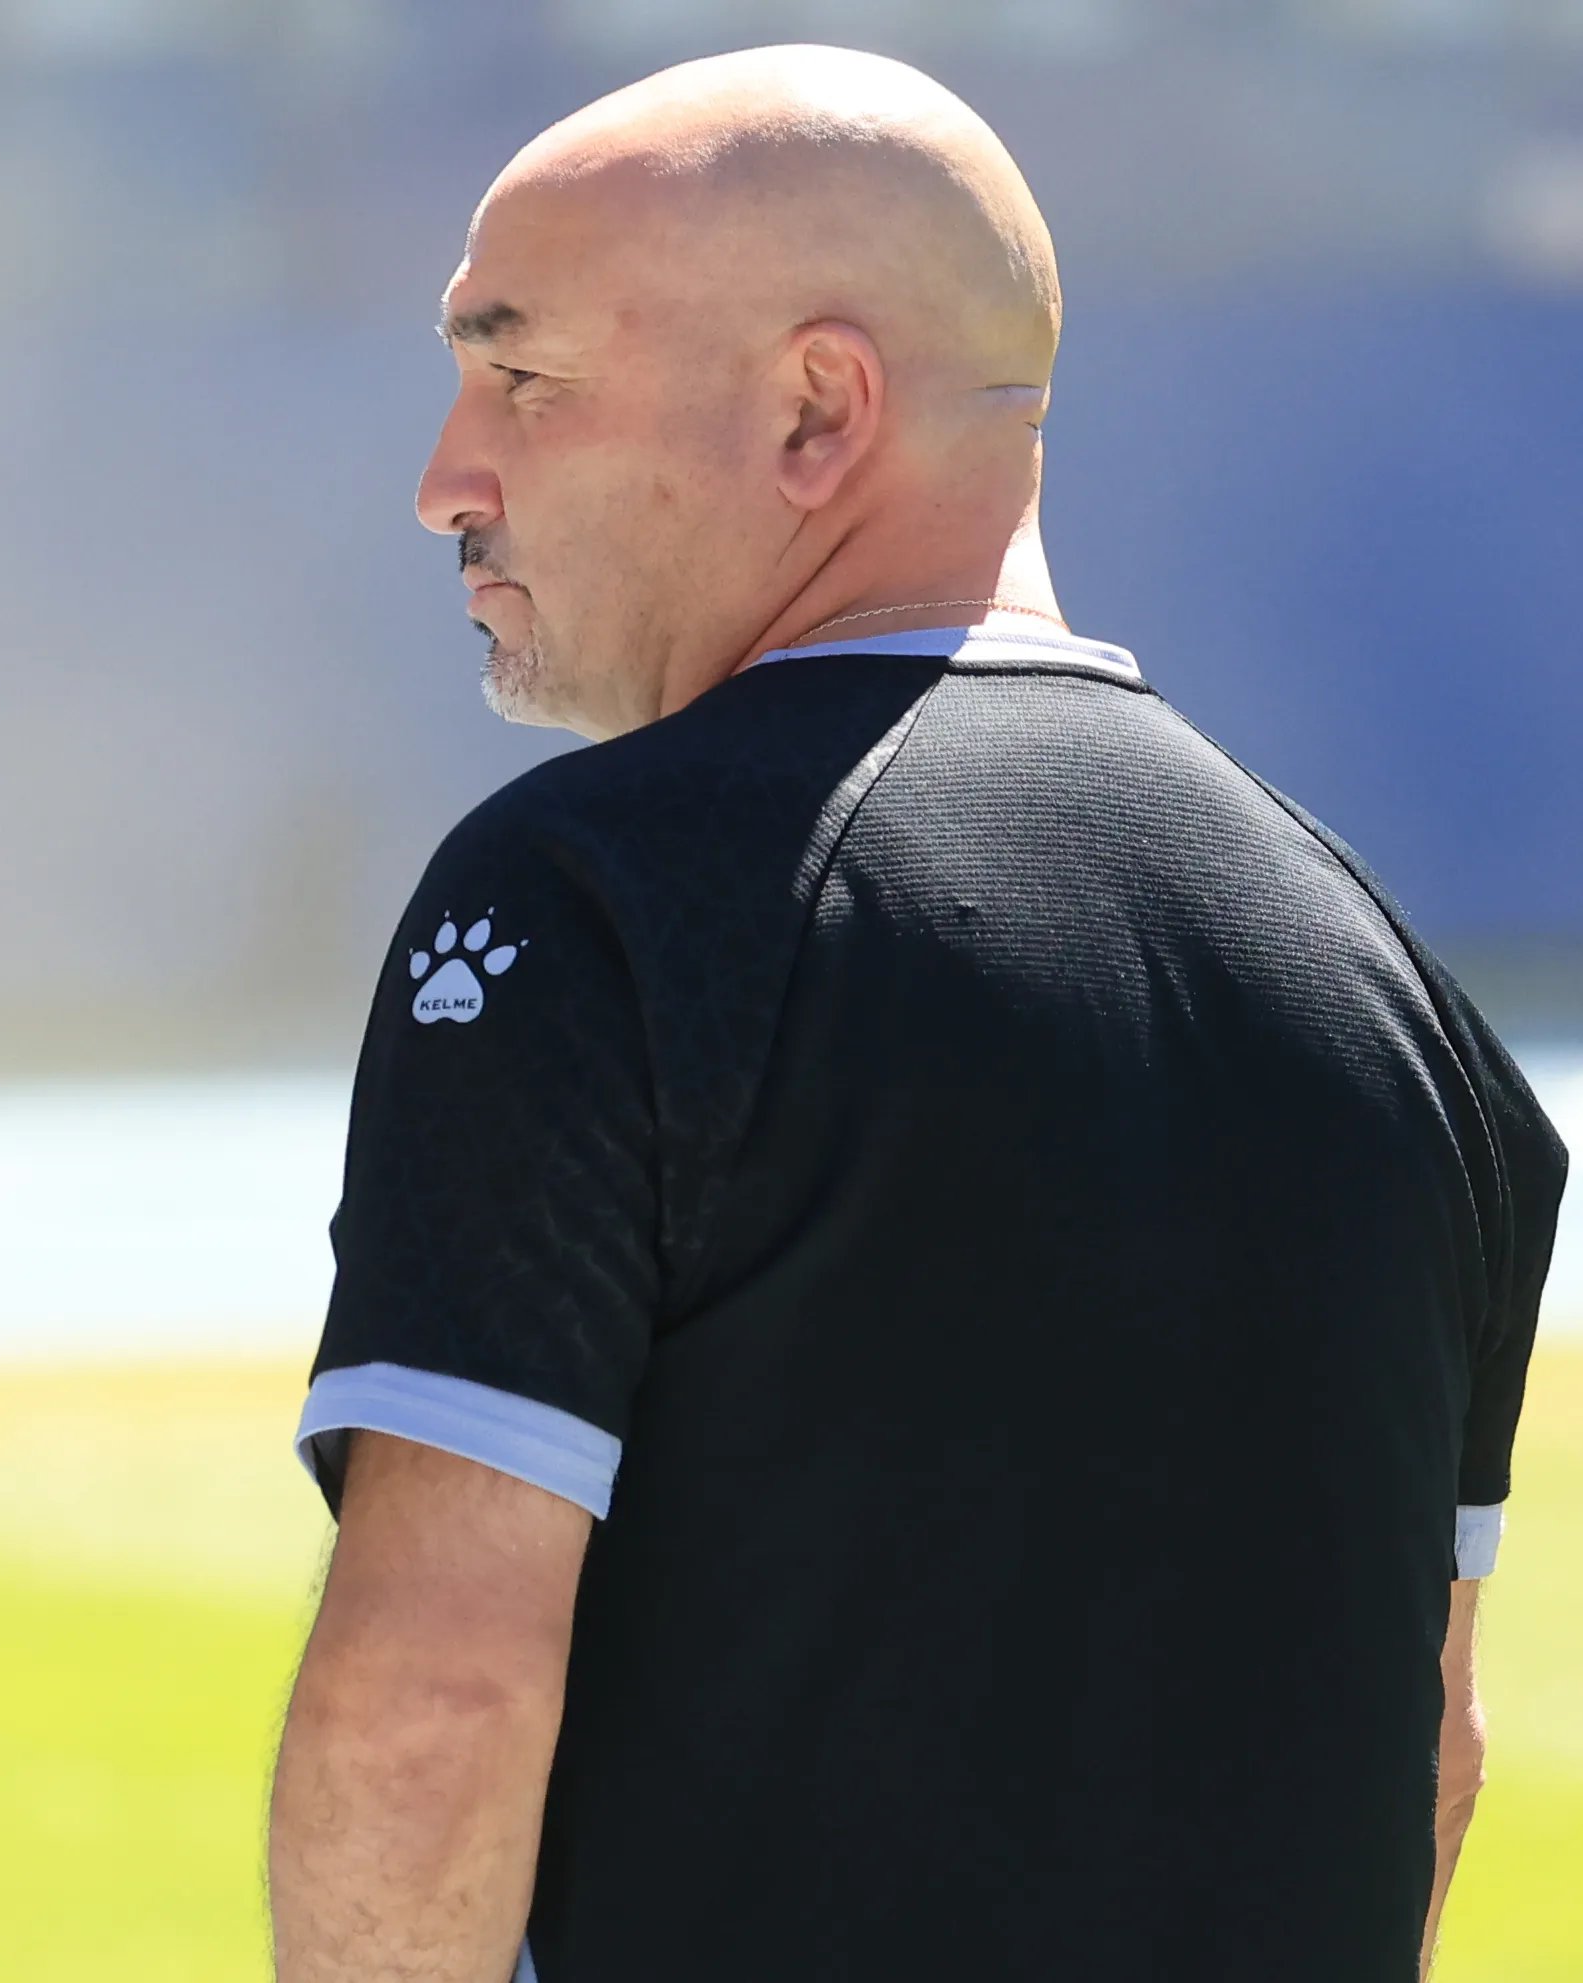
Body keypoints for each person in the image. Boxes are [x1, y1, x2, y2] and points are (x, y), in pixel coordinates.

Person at [267, 44, 1565, 1983]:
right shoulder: (1411, 1013)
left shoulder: (592, 902)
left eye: (518, 375)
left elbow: (434, 1700)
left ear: (815, 408)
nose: (445, 476)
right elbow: (1425, 1757)